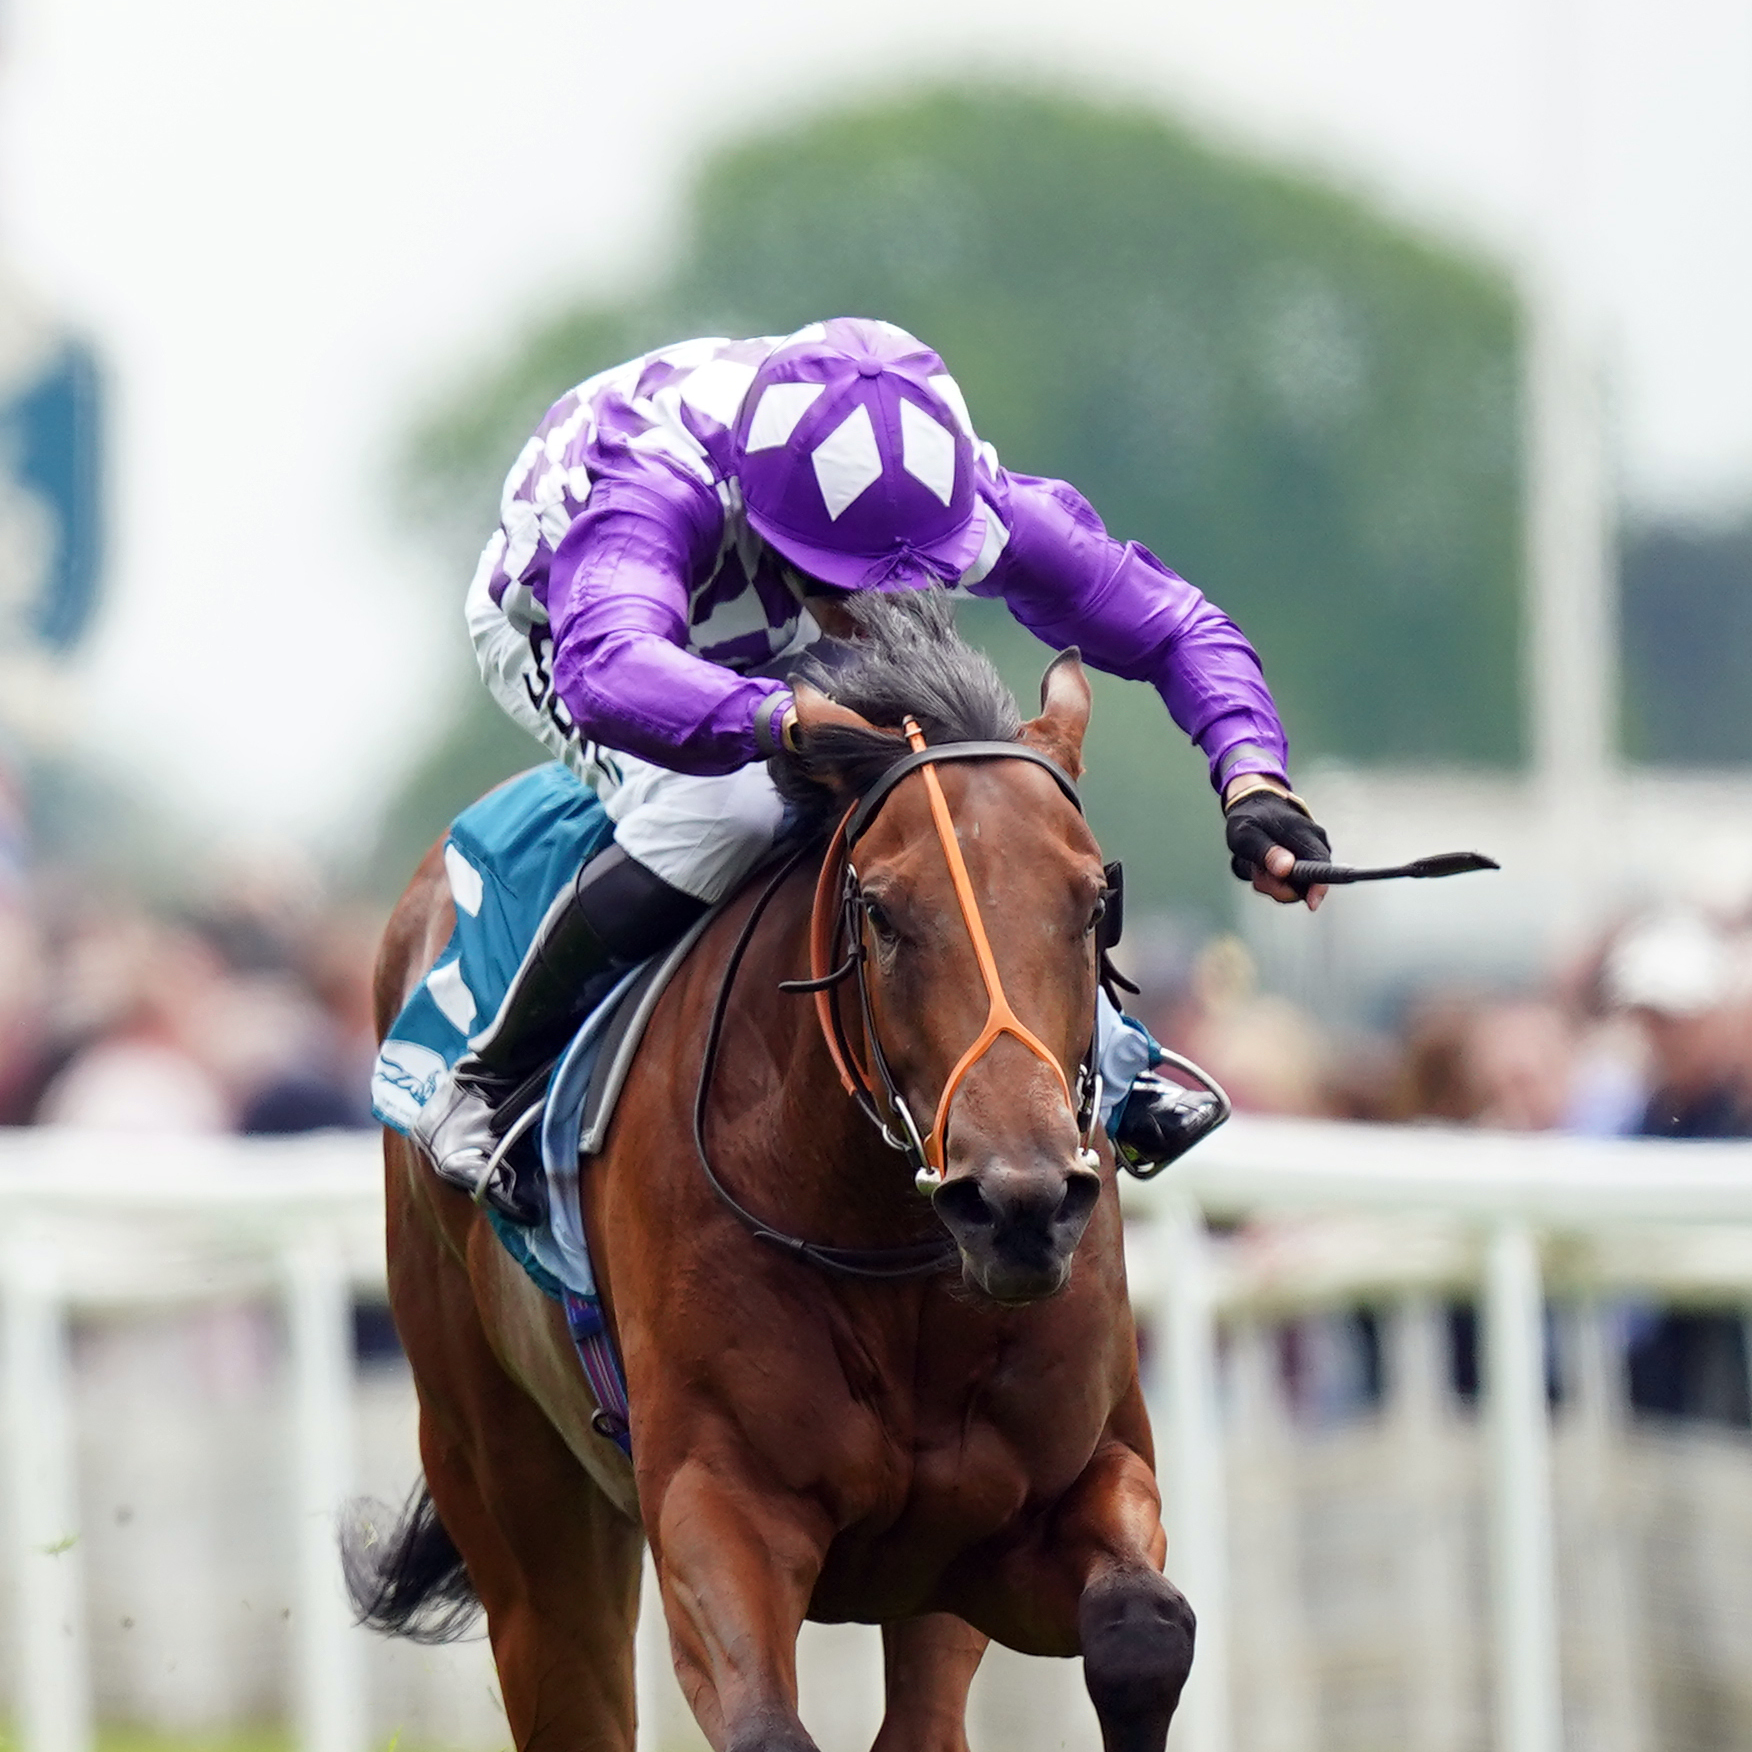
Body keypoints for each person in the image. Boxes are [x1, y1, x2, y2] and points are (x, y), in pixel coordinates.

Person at [421, 317, 1327, 1219]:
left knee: (971, 793)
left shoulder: (957, 490)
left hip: (756, 603)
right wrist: (775, 719)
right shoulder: (653, 487)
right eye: (855, 584)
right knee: (730, 810)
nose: (885, 608)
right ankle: (491, 1079)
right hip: (567, 621)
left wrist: (1254, 778)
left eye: (916, 578)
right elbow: (609, 667)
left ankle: (1113, 1062)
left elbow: (1176, 626)